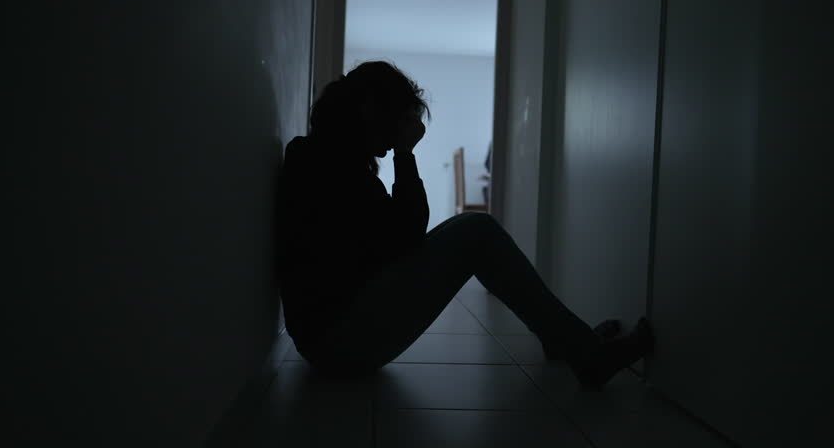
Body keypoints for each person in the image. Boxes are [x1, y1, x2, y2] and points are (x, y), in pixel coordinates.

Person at [276, 61, 653, 387]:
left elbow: (393, 241)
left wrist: (403, 157)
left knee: (474, 229)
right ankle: (584, 354)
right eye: (398, 124)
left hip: (334, 337)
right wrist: (406, 156)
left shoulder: (325, 158)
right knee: (477, 231)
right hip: (340, 343)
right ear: (371, 110)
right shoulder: (329, 166)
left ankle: (564, 339)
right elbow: (404, 238)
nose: (394, 140)